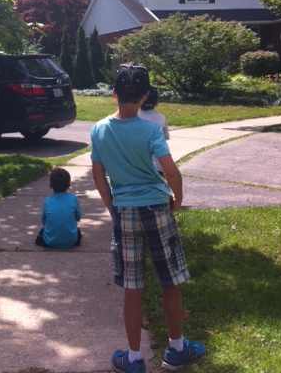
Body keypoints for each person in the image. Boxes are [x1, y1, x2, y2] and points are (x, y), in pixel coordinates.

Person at [90, 63, 206, 373]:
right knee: (170, 281)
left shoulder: (99, 130)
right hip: (156, 208)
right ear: (145, 97)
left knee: (132, 286)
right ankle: (177, 349)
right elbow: (171, 171)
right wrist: (177, 199)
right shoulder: (151, 130)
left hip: (125, 211)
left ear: (114, 94)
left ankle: (133, 358)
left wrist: (112, 207)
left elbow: (98, 175)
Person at [35, 167, 82, 249]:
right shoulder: (73, 198)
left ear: (50, 186)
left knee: (41, 234)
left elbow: (43, 221)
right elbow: (78, 217)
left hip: (50, 242)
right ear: (69, 185)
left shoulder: (47, 201)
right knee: (77, 231)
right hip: (71, 241)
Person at [139, 86, 169, 176]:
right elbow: (165, 137)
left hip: (139, 163)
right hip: (158, 162)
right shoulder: (161, 118)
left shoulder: (134, 117)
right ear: (156, 103)